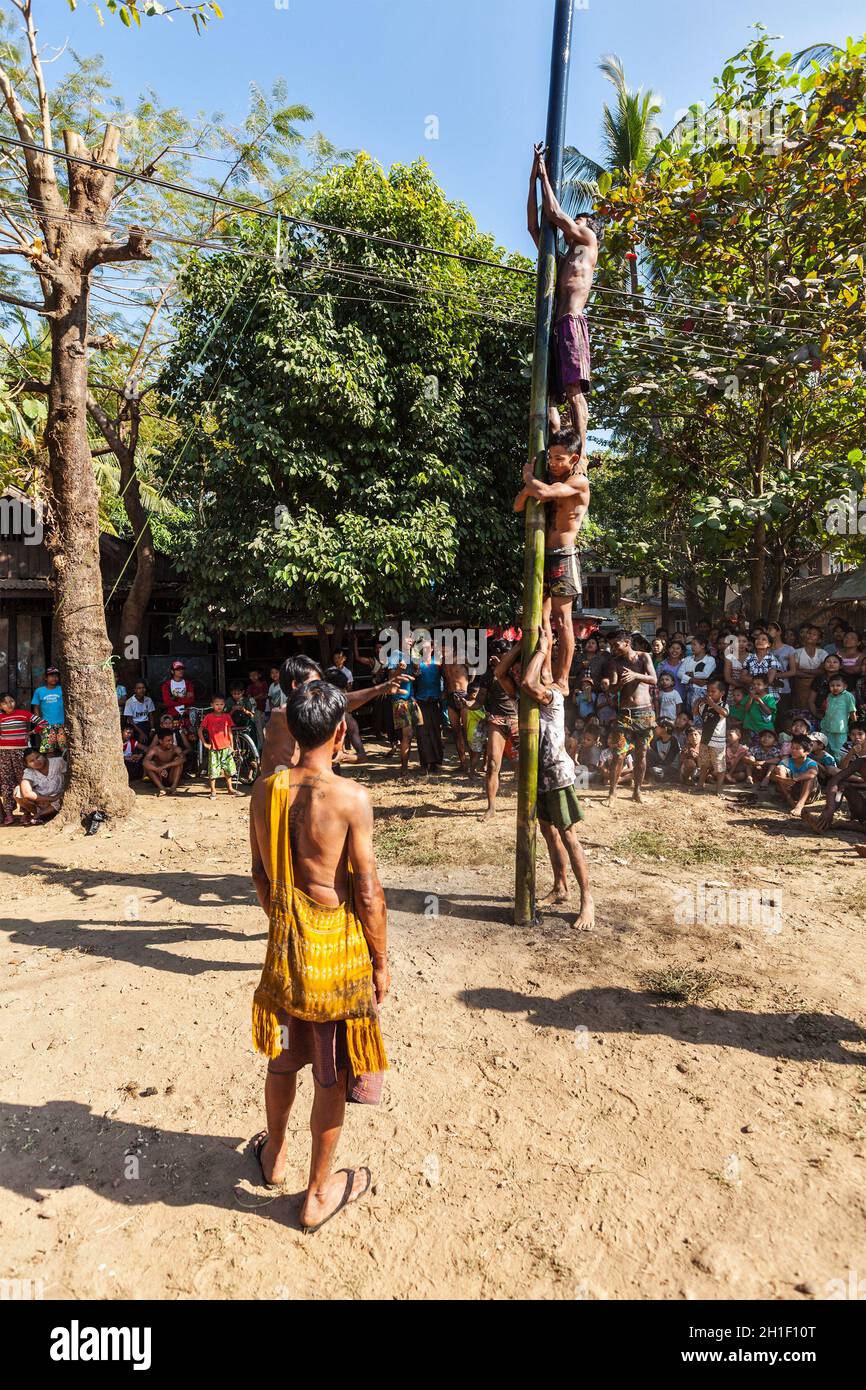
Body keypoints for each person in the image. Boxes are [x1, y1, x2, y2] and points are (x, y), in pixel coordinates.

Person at [249, 681, 388, 1231]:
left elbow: (260, 874)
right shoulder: (350, 798)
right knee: (329, 1074)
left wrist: (286, 923)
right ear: (338, 732)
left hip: (285, 949)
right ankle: (314, 1194)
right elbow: (369, 893)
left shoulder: (265, 791)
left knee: (283, 1056)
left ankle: (274, 1153)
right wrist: (380, 963)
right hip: (335, 951)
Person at [527, 142, 598, 455]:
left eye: (579, 219)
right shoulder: (562, 257)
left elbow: (554, 212)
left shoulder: (588, 241)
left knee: (573, 393)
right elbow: (534, 225)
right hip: (553, 330)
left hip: (571, 322)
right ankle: (555, 452)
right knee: (547, 398)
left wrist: (543, 172)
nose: (575, 221)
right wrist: (532, 181)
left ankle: (582, 454)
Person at [519, 630, 594, 927]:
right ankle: (560, 886)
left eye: (548, 666)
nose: (544, 668)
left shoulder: (552, 696)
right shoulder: (535, 699)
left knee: (568, 835)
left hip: (558, 774)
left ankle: (587, 899)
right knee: (549, 834)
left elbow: (527, 681)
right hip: (540, 776)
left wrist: (542, 649)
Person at [514, 428, 589, 684]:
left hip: (564, 556)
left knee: (562, 619)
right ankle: (545, 669)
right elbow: (517, 505)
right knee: (540, 616)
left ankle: (563, 678)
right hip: (541, 555)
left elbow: (544, 494)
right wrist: (531, 485)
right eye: (551, 458)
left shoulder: (579, 481)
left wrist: (528, 479)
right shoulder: (546, 479)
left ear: (574, 459)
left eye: (560, 459)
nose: (554, 464)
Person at [260, 655, 400, 778]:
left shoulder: (298, 717)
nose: (321, 690)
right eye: (315, 684)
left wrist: (343, 757)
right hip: (281, 794)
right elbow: (337, 702)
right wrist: (380, 689)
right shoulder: (283, 714)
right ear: (296, 685)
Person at [604, 629, 658, 804]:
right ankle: (612, 793)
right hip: (625, 714)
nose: (613, 648)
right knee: (619, 754)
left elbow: (654, 679)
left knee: (641, 754)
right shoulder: (614, 663)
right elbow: (612, 689)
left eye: (616, 645)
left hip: (645, 712)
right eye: (611, 645)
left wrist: (636, 675)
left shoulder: (644, 657)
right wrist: (619, 683)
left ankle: (637, 790)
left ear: (627, 643)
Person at [470, 641, 521, 822]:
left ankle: (535, 802)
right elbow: (479, 701)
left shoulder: (516, 670)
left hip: (517, 719)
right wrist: (467, 704)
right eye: (495, 652)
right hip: (496, 719)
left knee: (529, 762)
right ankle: (491, 807)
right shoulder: (487, 673)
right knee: (492, 764)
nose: (497, 656)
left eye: (503, 653)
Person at [0, 694, 44, 825]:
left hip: (21, 753)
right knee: (6, 782)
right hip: (4, 753)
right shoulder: (1, 717)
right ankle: (9, 814)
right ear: (0, 706)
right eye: (5, 703)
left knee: (23, 780)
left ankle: (26, 812)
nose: (9, 704)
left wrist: (31, 733)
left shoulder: (23, 713)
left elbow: (43, 723)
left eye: (11, 701)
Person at [413, 640, 445, 775]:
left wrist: (443, 694)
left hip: (435, 702)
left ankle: (436, 763)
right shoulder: (417, 665)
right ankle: (425, 763)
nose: (426, 649)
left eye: (428, 647)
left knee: (436, 733)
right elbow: (411, 681)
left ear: (432, 649)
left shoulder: (438, 664)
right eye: (423, 647)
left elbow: (447, 679)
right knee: (421, 733)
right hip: (420, 702)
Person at [199, 694, 239, 799]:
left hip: (226, 748)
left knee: (228, 770)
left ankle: (230, 788)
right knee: (213, 771)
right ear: (212, 705)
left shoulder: (227, 717)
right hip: (214, 749)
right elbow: (200, 730)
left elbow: (230, 732)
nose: (219, 706)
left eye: (221, 704)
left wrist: (232, 745)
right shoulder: (208, 717)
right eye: (217, 704)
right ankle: (213, 791)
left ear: (224, 705)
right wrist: (204, 743)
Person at [769, 735, 819, 818]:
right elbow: (772, 776)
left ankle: (800, 804)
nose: (793, 750)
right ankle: (789, 799)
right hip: (791, 792)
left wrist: (794, 779)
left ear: (807, 752)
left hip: (809, 795)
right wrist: (783, 779)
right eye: (792, 747)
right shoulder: (786, 761)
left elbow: (813, 773)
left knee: (810, 777)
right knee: (779, 768)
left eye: (797, 748)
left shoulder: (810, 763)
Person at [16, 749, 66, 821]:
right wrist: (50, 799)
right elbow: (26, 793)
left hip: (60, 798)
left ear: (43, 755)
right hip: (43, 801)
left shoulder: (58, 762)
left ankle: (40, 815)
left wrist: (57, 797)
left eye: (38, 757)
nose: (36, 761)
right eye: (31, 761)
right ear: (27, 765)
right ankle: (43, 813)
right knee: (18, 791)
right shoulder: (29, 772)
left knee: (61, 799)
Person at [442, 657, 472, 773]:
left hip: (464, 695)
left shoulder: (462, 657)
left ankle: (472, 764)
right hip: (450, 697)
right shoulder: (443, 661)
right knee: (456, 732)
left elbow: (473, 674)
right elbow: (445, 679)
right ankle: (463, 763)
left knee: (468, 731)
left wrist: (471, 692)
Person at [30, 667, 66, 755]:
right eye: (51, 676)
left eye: (56, 676)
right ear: (45, 678)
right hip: (47, 724)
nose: (54, 678)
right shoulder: (39, 691)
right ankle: (51, 767)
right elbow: (36, 707)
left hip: (62, 723)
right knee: (49, 749)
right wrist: (39, 722)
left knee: (63, 747)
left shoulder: (62, 689)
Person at [821, 673, 857, 758]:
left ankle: (841, 769)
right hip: (827, 727)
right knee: (826, 749)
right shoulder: (829, 696)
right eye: (832, 685)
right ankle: (830, 768)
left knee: (839, 751)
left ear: (844, 686)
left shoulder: (848, 696)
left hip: (840, 730)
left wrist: (855, 725)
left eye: (838, 685)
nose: (835, 688)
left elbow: (852, 711)